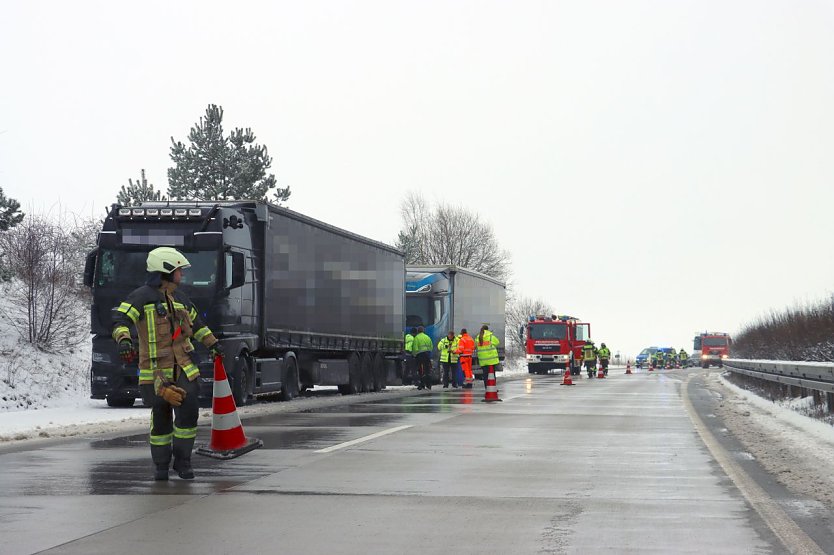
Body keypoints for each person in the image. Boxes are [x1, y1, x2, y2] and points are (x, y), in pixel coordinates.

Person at [112, 247, 222, 481]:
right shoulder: (141, 297)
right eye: (178, 271)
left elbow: (198, 325)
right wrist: (123, 340)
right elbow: (120, 320)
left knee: (188, 412)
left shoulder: (181, 299)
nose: (182, 275)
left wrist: (213, 344)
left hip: (184, 367)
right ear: (166, 270)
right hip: (154, 372)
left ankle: (183, 463)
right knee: (161, 415)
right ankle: (161, 465)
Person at [412, 326, 434, 390]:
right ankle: (429, 385)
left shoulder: (417, 338)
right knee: (427, 370)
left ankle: (422, 385)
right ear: (423, 331)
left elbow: (415, 348)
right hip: (427, 355)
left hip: (420, 355)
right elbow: (431, 347)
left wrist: (414, 355)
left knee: (420, 370)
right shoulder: (427, 337)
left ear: (417, 331)